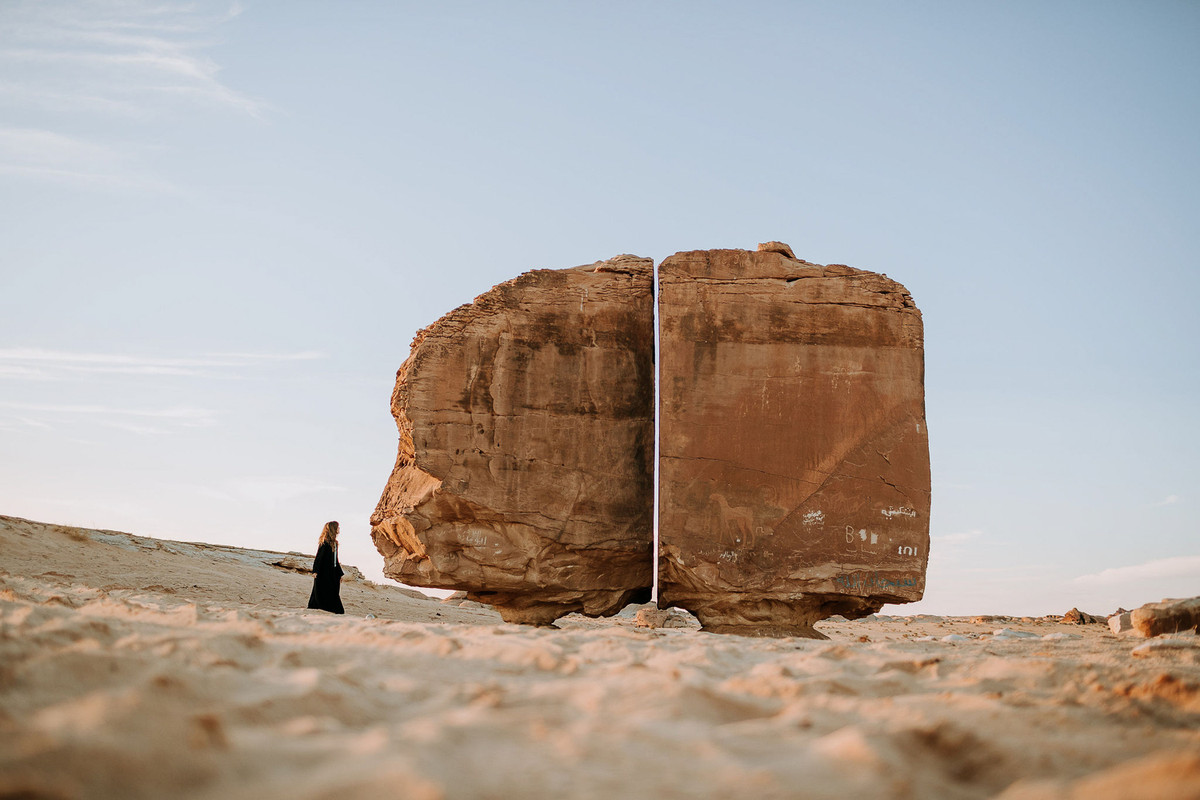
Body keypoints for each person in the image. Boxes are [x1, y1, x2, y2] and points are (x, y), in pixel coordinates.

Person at [307, 520, 345, 614]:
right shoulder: (324, 542)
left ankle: (332, 609)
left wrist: (339, 573)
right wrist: (315, 571)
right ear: (333, 529)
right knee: (321, 590)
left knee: (333, 591)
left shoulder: (335, 543)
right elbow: (319, 557)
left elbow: (335, 559)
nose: (339, 529)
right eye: (337, 527)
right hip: (324, 571)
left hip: (333, 572)